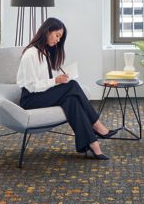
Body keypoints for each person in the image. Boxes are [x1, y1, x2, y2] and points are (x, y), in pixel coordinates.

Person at [16, 17, 117, 160]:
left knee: (72, 101)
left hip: (44, 94)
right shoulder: (30, 54)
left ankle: (92, 144)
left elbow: (48, 78)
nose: (58, 40)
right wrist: (55, 81)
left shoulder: (46, 51)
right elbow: (31, 86)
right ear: (47, 31)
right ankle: (98, 126)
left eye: (60, 38)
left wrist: (60, 78)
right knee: (73, 86)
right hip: (31, 99)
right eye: (57, 35)